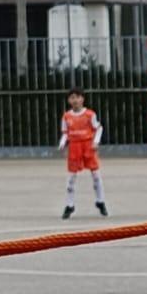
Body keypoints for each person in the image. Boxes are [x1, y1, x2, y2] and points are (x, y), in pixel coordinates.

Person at [59, 89, 106, 218]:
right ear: (69, 100)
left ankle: (100, 201)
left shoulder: (90, 114)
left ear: (82, 99)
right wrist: (62, 144)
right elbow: (65, 133)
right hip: (74, 147)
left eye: (77, 97)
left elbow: (99, 128)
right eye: (72, 98)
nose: (75, 100)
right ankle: (70, 205)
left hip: (87, 145)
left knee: (96, 174)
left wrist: (96, 141)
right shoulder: (67, 116)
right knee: (71, 178)